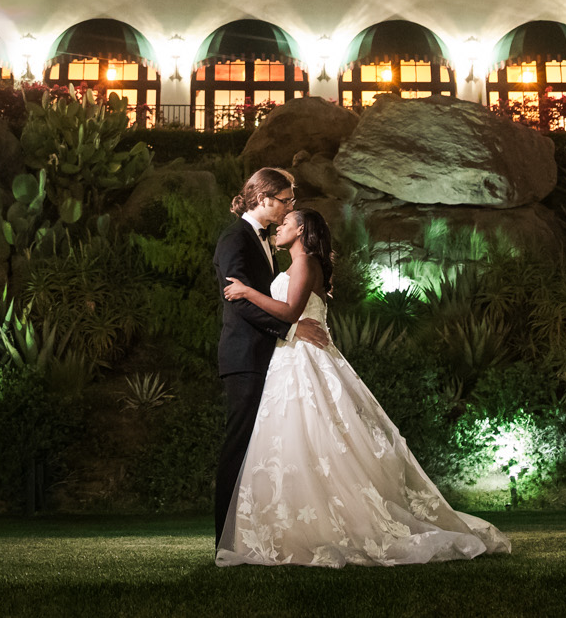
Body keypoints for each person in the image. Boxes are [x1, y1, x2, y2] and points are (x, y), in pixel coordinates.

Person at [216, 206, 511, 568]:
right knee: (289, 442)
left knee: (316, 436)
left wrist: (246, 291)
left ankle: (332, 523)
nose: (280, 226)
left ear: (303, 230)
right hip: (289, 357)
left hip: (306, 358)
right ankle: (291, 524)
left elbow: (291, 312)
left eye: (287, 222)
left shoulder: (307, 263)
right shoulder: (294, 265)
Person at [213, 168, 330, 545]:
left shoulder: (267, 243)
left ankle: (262, 532)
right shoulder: (235, 239)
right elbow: (239, 300)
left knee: (266, 451)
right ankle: (226, 540)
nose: (290, 207)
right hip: (244, 357)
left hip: (273, 359)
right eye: (285, 200)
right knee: (240, 446)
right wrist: (292, 329)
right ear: (263, 199)